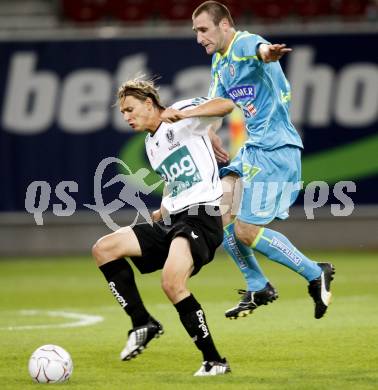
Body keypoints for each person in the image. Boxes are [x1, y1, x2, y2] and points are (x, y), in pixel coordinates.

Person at [192, 1, 335, 320]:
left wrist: (268, 53)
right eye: (196, 31)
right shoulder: (219, 61)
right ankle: (258, 285)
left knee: (245, 230)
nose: (199, 37)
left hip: (276, 149)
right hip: (254, 148)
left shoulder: (243, 42)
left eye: (203, 29)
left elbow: (259, 50)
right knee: (223, 213)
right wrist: (211, 131)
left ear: (224, 25)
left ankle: (315, 272)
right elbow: (219, 103)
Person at [92, 78, 235, 376]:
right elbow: (175, 180)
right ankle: (142, 322)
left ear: (148, 103)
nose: (127, 117)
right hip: (174, 219)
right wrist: (164, 208)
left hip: (201, 217)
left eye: (130, 109)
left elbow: (225, 105)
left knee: (172, 283)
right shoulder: (151, 143)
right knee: (104, 248)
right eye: (123, 113)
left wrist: (185, 115)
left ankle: (214, 361)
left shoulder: (181, 112)